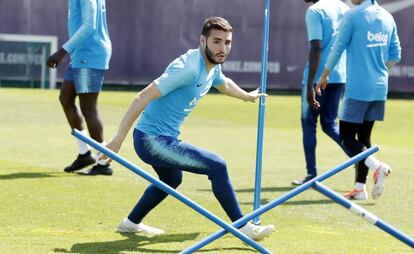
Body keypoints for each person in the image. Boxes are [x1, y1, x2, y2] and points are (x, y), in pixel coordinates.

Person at [101, 17, 275, 239]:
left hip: (166, 138)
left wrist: (246, 97)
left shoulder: (212, 66)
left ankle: (130, 223)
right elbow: (142, 96)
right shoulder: (188, 67)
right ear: (203, 41)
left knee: (172, 180)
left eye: (227, 42)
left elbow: (224, 82)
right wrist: (117, 140)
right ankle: (243, 227)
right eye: (217, 42)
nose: (223, 48)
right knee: (217, 165)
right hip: (151, 140)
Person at [316, 0, 401, 200]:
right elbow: (395, 55)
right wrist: (378, 73)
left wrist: (324, 74)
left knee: (346, 137)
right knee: (364, 139)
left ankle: (378, 166)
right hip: (380, 88)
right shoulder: (387, 17)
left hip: (358, 89)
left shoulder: (353, 16)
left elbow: (337, 48)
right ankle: (360, 188)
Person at [47, 0, 113, 175]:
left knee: (88, 108)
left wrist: (62, 51)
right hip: (81, 55)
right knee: (66, 98)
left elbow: (89, 26)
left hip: (89, 56)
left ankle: (103, 163)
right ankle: (84, 154)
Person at [292, 0, 350, 186]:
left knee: (309, 123)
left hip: (318, 78)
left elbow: (316, 46)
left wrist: (310, 84)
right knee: (330, 124)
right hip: (339, 76)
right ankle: (363, 158)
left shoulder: (315, 10)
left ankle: (311, 174)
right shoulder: (345, 8)